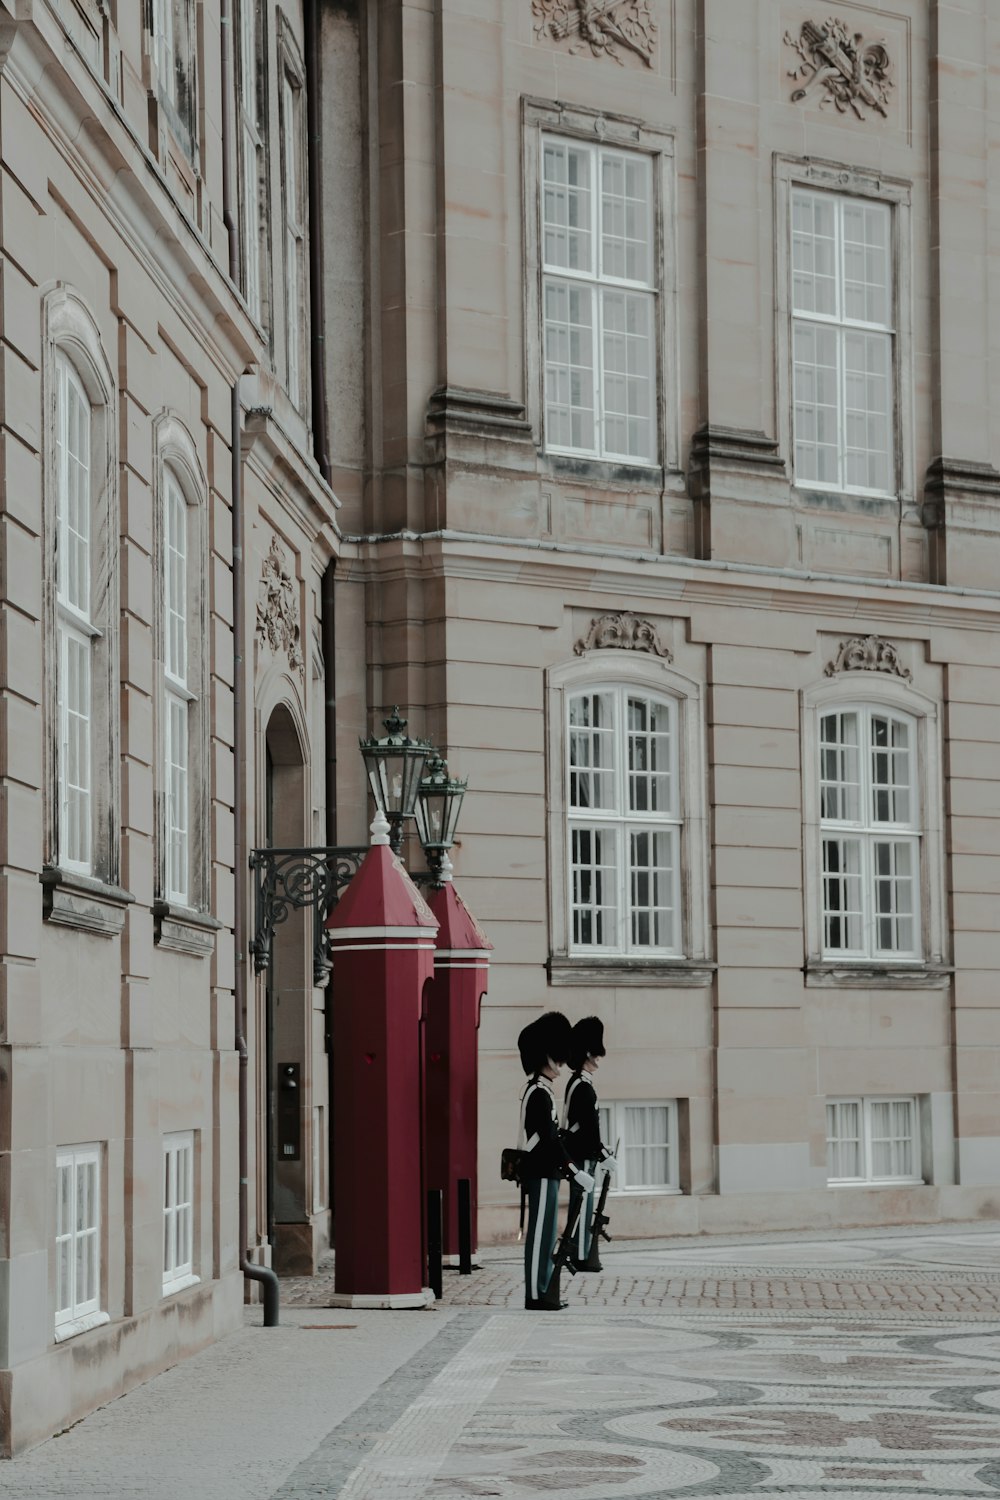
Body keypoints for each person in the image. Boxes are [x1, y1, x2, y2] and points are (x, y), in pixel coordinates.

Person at [517, 1011, 594, 1310]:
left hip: (547, 1171)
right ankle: (536, 1294)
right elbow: (547, 1141)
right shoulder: (537, 1092)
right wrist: (573, 1169)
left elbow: (553, 1137)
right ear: (545, 1055)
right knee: (539, 1235)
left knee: (548, 1233)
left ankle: (544, 1288)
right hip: (540, 1170)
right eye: (556, 1055)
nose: (561, 1062)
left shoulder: (543, 1091)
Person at [562, 1015, 614, 1272]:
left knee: (583, 1203)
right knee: (583, 1204)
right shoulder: (582, 1086)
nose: (599, 1059)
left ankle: (581, 1251)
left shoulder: (580, 1083)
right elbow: (589, 1128)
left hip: (580, 1149)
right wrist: (603, 1153)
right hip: (581, 1152)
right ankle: (579, 1253)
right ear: (588, 1054)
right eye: (595, 1053)